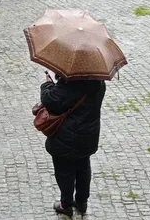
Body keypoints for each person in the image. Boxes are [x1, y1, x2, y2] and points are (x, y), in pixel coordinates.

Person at [40, 73, 106, 217]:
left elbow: (50, 100)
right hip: (88, 136)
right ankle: (82, 202)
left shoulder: (69, 85)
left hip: (66, 138)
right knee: (83, 167)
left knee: (64, 171)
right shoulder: (98, 83)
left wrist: (47, 85)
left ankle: (66, 204)